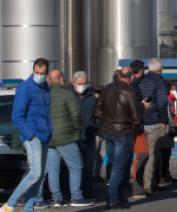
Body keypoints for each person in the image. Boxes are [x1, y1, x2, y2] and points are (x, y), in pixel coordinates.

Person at [0, 58, 52, 212]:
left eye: (42, 73)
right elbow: (17, 116)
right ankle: (10, 204)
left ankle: (29, 208)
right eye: (37, 72)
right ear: (33, 71)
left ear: (47, 73)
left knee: (41, 174)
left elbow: (47, 113)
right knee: (35, 173)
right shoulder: (25, 88)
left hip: (44, 135)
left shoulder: (46, 88)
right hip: (33, 135)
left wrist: (49, 131)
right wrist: (30, 135)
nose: (40, 75)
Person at [39, 70, 93, 207]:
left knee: (53, 169)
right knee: (76, 166)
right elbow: (76, 114)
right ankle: (76, 196)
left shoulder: (45, 94)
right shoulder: (66, 93)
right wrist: (76, 131)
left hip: (50, 137)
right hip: (65, 136)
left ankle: (57, 198)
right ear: (62, 79)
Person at [94, 66, 143, 210]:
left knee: (115, 165)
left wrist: (106, 123)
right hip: (123, 132)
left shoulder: (107, 89)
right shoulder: (129, 92)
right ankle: (113, 199)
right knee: (119, 167)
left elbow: (98, 111)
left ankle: (118, 196)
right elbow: (136, 116)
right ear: (131, 77)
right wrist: (134, 128)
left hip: (109, 131)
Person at [133, 58, 169, 194]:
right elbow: (161, 103)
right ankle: (148, 184)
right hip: (154, 122)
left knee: (141, 153)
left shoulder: (140, 81)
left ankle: (142, 181)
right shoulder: (159, 82)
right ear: (160, 70)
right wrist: (164, 121)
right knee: (152, 154)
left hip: (141, 122)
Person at [72, 70, 98, 199]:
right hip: (74, 137)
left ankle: (87, 190)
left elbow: (98, 113)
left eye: (84, 83)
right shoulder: (69, 96)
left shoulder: (92, 96)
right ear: (74, 83)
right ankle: (74, 191)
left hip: (89, 134)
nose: (82, 85)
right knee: (75, 166)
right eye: (79, 83)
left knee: (88, 165)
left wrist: (96, 126)